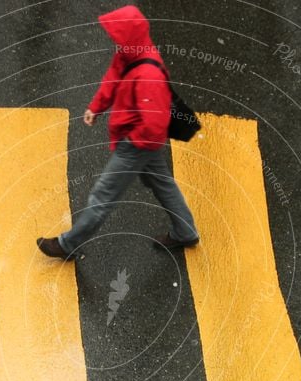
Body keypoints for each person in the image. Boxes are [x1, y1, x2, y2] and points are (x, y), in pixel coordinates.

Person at [37, 4, 199, 260]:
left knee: (103, 196)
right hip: (141, 140)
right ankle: (186, 232)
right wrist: (96, 107)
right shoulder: (129, 53)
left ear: (129, 38)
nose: (113, 40)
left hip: (138, 142)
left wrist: (130, 143)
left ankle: (67, 244)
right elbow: (113, 78)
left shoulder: (148, 76)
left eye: (117, 36)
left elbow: (154, 126)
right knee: (163, 184)